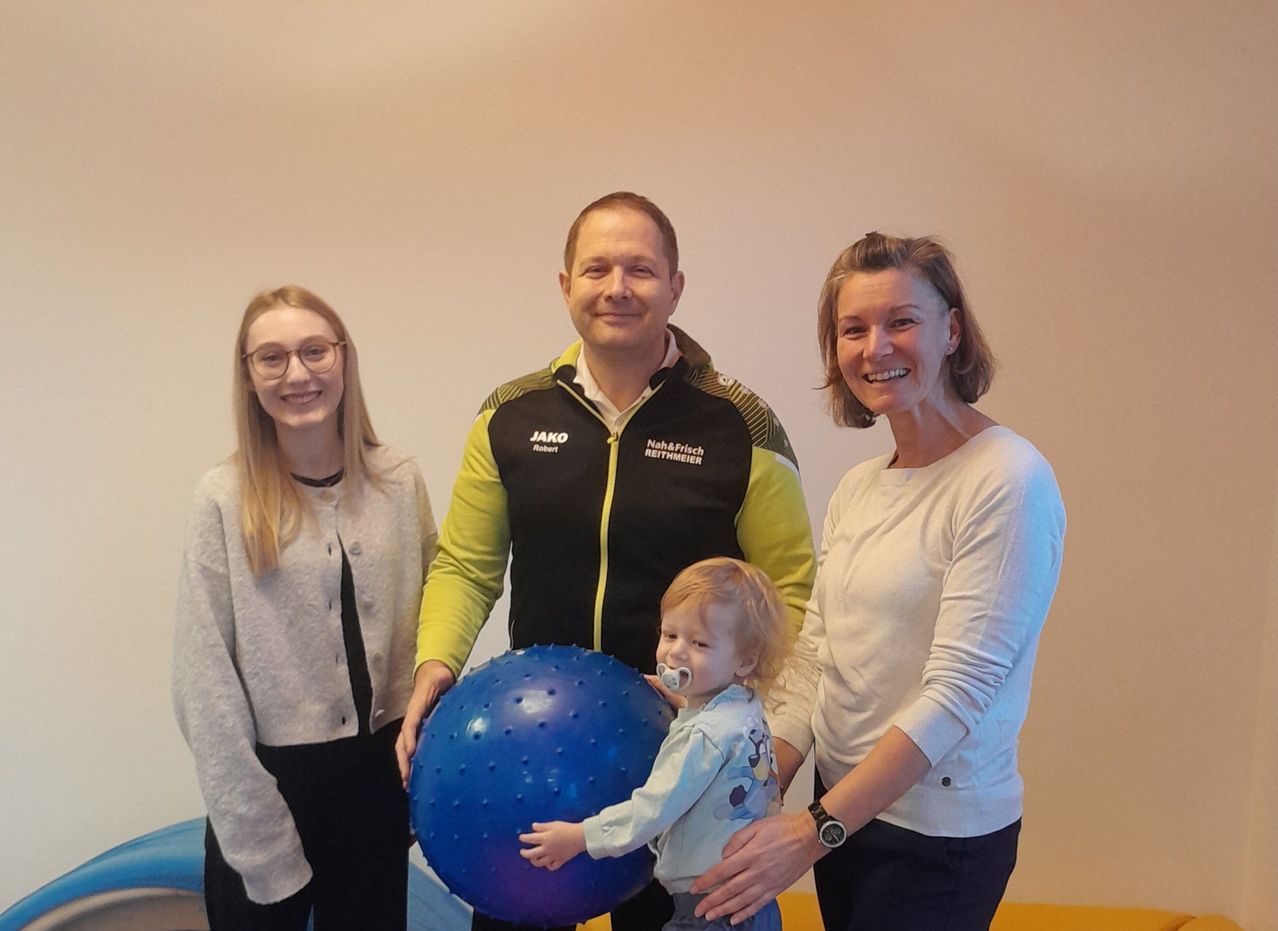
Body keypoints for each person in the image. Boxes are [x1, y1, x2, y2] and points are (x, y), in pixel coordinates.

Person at [396, 192, 816, 931]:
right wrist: (434, 664)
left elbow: (792, 596)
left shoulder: (740, 424)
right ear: (565, 284)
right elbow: (465, 564)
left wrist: (771, 746)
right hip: (532, 741)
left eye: (640, 269)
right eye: (597, 268)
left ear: (675, 287)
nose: (617, 286)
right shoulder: (511, 414)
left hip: (680, 755)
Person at [690, 233, 1067, 930]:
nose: (876, 347)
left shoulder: (1007, 479)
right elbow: (818, 654)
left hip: (936, 839)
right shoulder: (862, 486)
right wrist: (762, 776)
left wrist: (812, 830)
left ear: (952, 329)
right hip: (846, 815)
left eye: (901, 321)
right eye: (852, 329)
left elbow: (958, 695)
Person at [172, 285, 438, 929]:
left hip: (378, 788)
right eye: (272, 357)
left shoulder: (399, 481)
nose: (297, 374)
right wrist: (258, 836)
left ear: (343, 359)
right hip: (269, 790)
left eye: (314, 351)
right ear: (249, 375)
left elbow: (435, 631)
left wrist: (422, 781)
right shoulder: (224, 498)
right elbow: (202, 684)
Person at [519, 557, 789, 931]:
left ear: (745, 661)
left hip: (709, 910)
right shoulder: (745, 709)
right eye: (670, 634)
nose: (677, 652)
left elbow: (651, 809)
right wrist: (688, 705)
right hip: (751, 901)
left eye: (700, 643)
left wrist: (579, 837)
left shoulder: (703, 737)